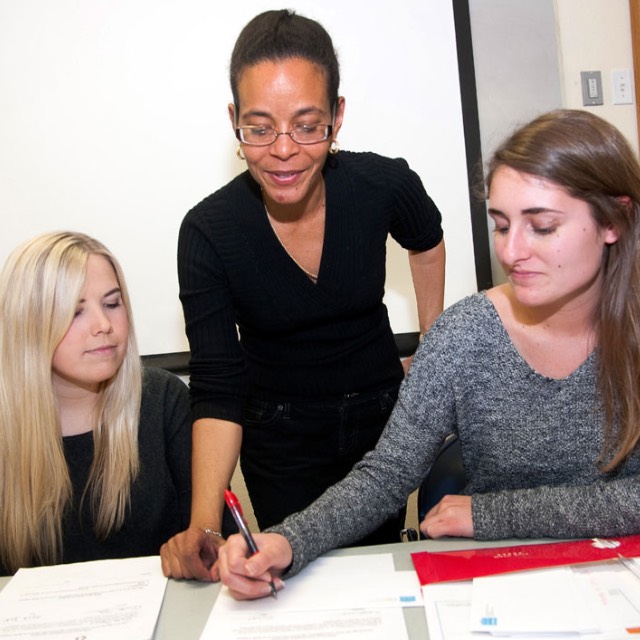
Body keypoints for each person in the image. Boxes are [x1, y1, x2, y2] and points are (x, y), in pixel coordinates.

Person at [216, 108, 640, 599]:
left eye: (541, 226)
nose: (511, 252)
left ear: (615, 220)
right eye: (502, 226)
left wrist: (490, 513)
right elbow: (387, 477)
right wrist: (289, 541)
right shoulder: (463, 335)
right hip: (504, 591)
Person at [160, 9, 445, 580]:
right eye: (260, 127)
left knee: (376, 576)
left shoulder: (382, 184)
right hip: (279, 437)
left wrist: (434, 348)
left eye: (307, 124)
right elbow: (217, 388)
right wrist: (204, 524)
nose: (284, 150)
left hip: (381, 424)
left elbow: (427, 241)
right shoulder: (208, 231)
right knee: (296, 582)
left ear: (337, 118)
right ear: (234, 120)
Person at [0, 231, 192, 575]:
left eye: (112, 304)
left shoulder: (163, 401)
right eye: (75, 311)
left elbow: (214, 539)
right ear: (29, 324)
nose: (103, 325)